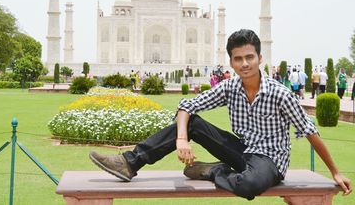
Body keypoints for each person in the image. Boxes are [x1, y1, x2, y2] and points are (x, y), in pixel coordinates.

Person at [89, 29, 352, 200]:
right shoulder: (230, 87)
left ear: (260, 58)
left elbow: (310, 131)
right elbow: (186, 106)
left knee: (249, 186)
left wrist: (335, 172)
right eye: (238, 59)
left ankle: (214, 171)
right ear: (231, 62)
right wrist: (182, 138)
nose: (245, 63)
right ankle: (129, 162)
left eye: (250, 57)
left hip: (269, 160)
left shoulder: (279, 93)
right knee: (192, 122)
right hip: (241, 151)